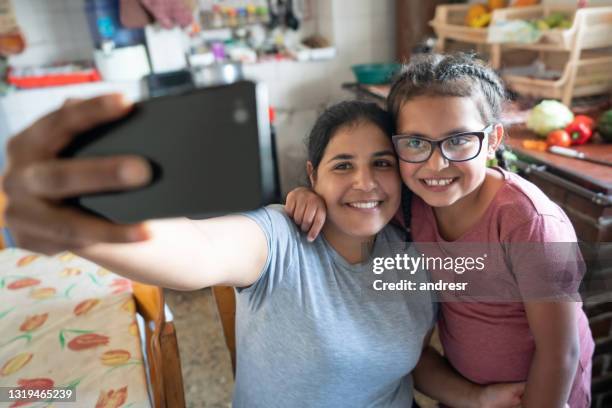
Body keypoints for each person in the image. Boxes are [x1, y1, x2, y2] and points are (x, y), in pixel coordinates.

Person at [2, 98, 525, 407]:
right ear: (312, 176)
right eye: (343, 165)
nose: (365, 182)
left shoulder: (412, 252)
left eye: (382, 163)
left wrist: (475, 398)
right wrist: (84, 226)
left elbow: (401, 362)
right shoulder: (281, 238)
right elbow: (198, 249)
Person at [285, 53, 594, 408]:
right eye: (415, 143)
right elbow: (356, 203)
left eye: (459, 140)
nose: (436, 164)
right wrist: (307, 195)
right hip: (470, 392)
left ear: (493, 140)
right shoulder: (412, 205)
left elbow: (561, 354)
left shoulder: (531, 225)